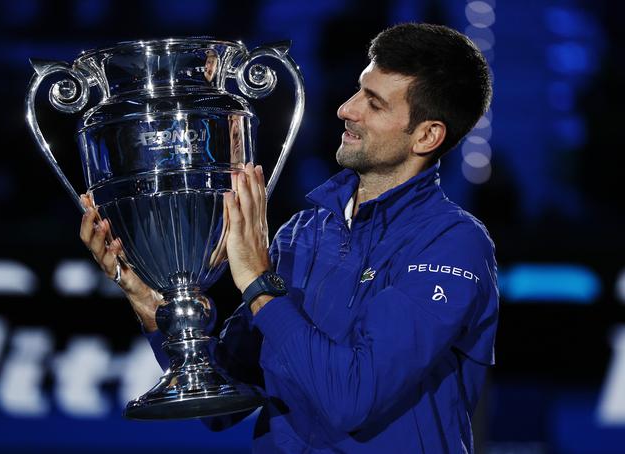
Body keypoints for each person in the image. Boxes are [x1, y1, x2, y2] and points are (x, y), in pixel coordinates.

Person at [80, 23, 497, 453]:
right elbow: (222, 405)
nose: (347, 109)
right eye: (358, 90)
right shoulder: (302, 234)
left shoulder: (454, 244)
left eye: (374, 103)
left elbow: (352, 400)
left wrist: (260, 283)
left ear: (427, 135)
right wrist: (153, 305)